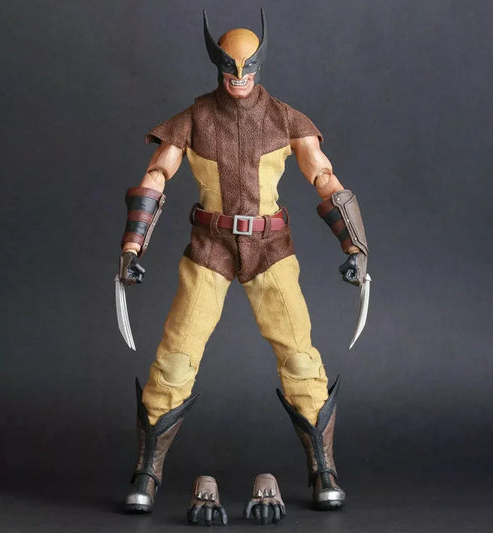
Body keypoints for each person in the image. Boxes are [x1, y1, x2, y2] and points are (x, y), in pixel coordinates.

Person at [118, 10, 369, 514]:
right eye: (230, 68)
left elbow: (324, 177)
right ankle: (147, 471)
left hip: (271, 249)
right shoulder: (193, 119)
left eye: (248, 68)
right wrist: (132, 245)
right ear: (217, 65)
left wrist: (354, 245)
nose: (239, 77)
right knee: (176, 358)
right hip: (209, 249)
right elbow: (156, 175)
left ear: (260, 64)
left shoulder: (287, 119)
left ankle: (324, 468)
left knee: (300, 358)